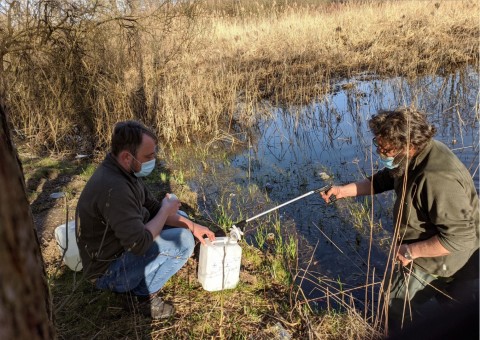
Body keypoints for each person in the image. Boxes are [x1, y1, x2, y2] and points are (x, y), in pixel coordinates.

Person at [320, 107, 479, 334]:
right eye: (378, 145)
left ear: (408, 146)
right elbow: (383, 180)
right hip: (433, 250)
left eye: (385, 148)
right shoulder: (408, 160)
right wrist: (342, 191)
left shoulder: (436, 178)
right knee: (451, 311)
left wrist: (410, 251)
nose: (380, 152)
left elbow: (460, 238)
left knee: (395, 304)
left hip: (447, 259)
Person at [76, 120, 216, 319]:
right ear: (127, 157)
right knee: (182, 241)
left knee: (183, 220)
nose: (153, 160)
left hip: (120, 245)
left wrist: (194, 226)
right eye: (149, 156)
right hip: (107, 272)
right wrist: (166, 212)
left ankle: (140, 285)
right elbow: (139, 244)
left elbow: (153, 207)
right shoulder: (115, 189)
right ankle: (143, 297)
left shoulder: (124, 170)